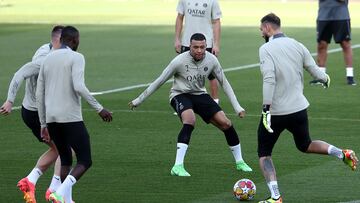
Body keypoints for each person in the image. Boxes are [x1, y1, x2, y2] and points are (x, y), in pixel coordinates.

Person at [257, 13, 358, 203]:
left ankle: (276, 197)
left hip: (277, 112)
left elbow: (269, 79)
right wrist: (325, 78)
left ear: (268, 28)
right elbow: (315, 69)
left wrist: (265, 109)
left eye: (261, 29)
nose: (261, 32)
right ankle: (341, 153)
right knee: (306, 144)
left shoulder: (266, 49)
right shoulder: (297, 44)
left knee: (264, 153)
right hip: (299, 110)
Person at [129, 33, 252, 177]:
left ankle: (240, 162)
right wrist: (139, 100)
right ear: (189, 47)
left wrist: (237, 107)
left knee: (226, 123)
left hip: (200, 94)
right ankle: (177, 166)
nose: (199, 50)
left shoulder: (212, 60)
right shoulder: (179, 61)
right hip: (179, 94)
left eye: (202, 47)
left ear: (206, 46)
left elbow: (224, 83)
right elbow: (159, 81)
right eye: (196, 47)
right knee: (190, 120)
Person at [36, 25, 113, 203]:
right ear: (73, 40)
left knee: (65, 160)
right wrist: (99, 108)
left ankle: (66, 200)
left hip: (52, 118)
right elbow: (79, 86)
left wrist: (43, 124)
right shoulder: (76, 57)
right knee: (85, 160)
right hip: (70, 117)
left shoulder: (47, 59)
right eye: (78, 40)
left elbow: (40, 93)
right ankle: (60, 192)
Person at [0, 25, 68, 203]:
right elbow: (19, 74)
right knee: (66, 149)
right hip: (36, 114)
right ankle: (54, 191)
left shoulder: (47, 50)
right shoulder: (43, 60)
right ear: (58, 42)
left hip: (38, 112)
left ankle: (30, 181)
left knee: (58, 149)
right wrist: (9, 100)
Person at [174, 0, 222, 103]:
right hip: (187, 42)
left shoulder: (212, 1)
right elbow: (179, 17)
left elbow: (216, 21)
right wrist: (177, 39)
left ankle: (215, 102)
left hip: (206, 43)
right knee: (183, 73)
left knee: (211, 74)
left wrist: (216, 44)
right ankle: (184, 102)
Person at [310, 0, 356, 85]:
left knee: (345, 44)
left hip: (341, 15)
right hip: (323, 15)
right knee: (322, 45)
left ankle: (350, 76)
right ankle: (321, 77)